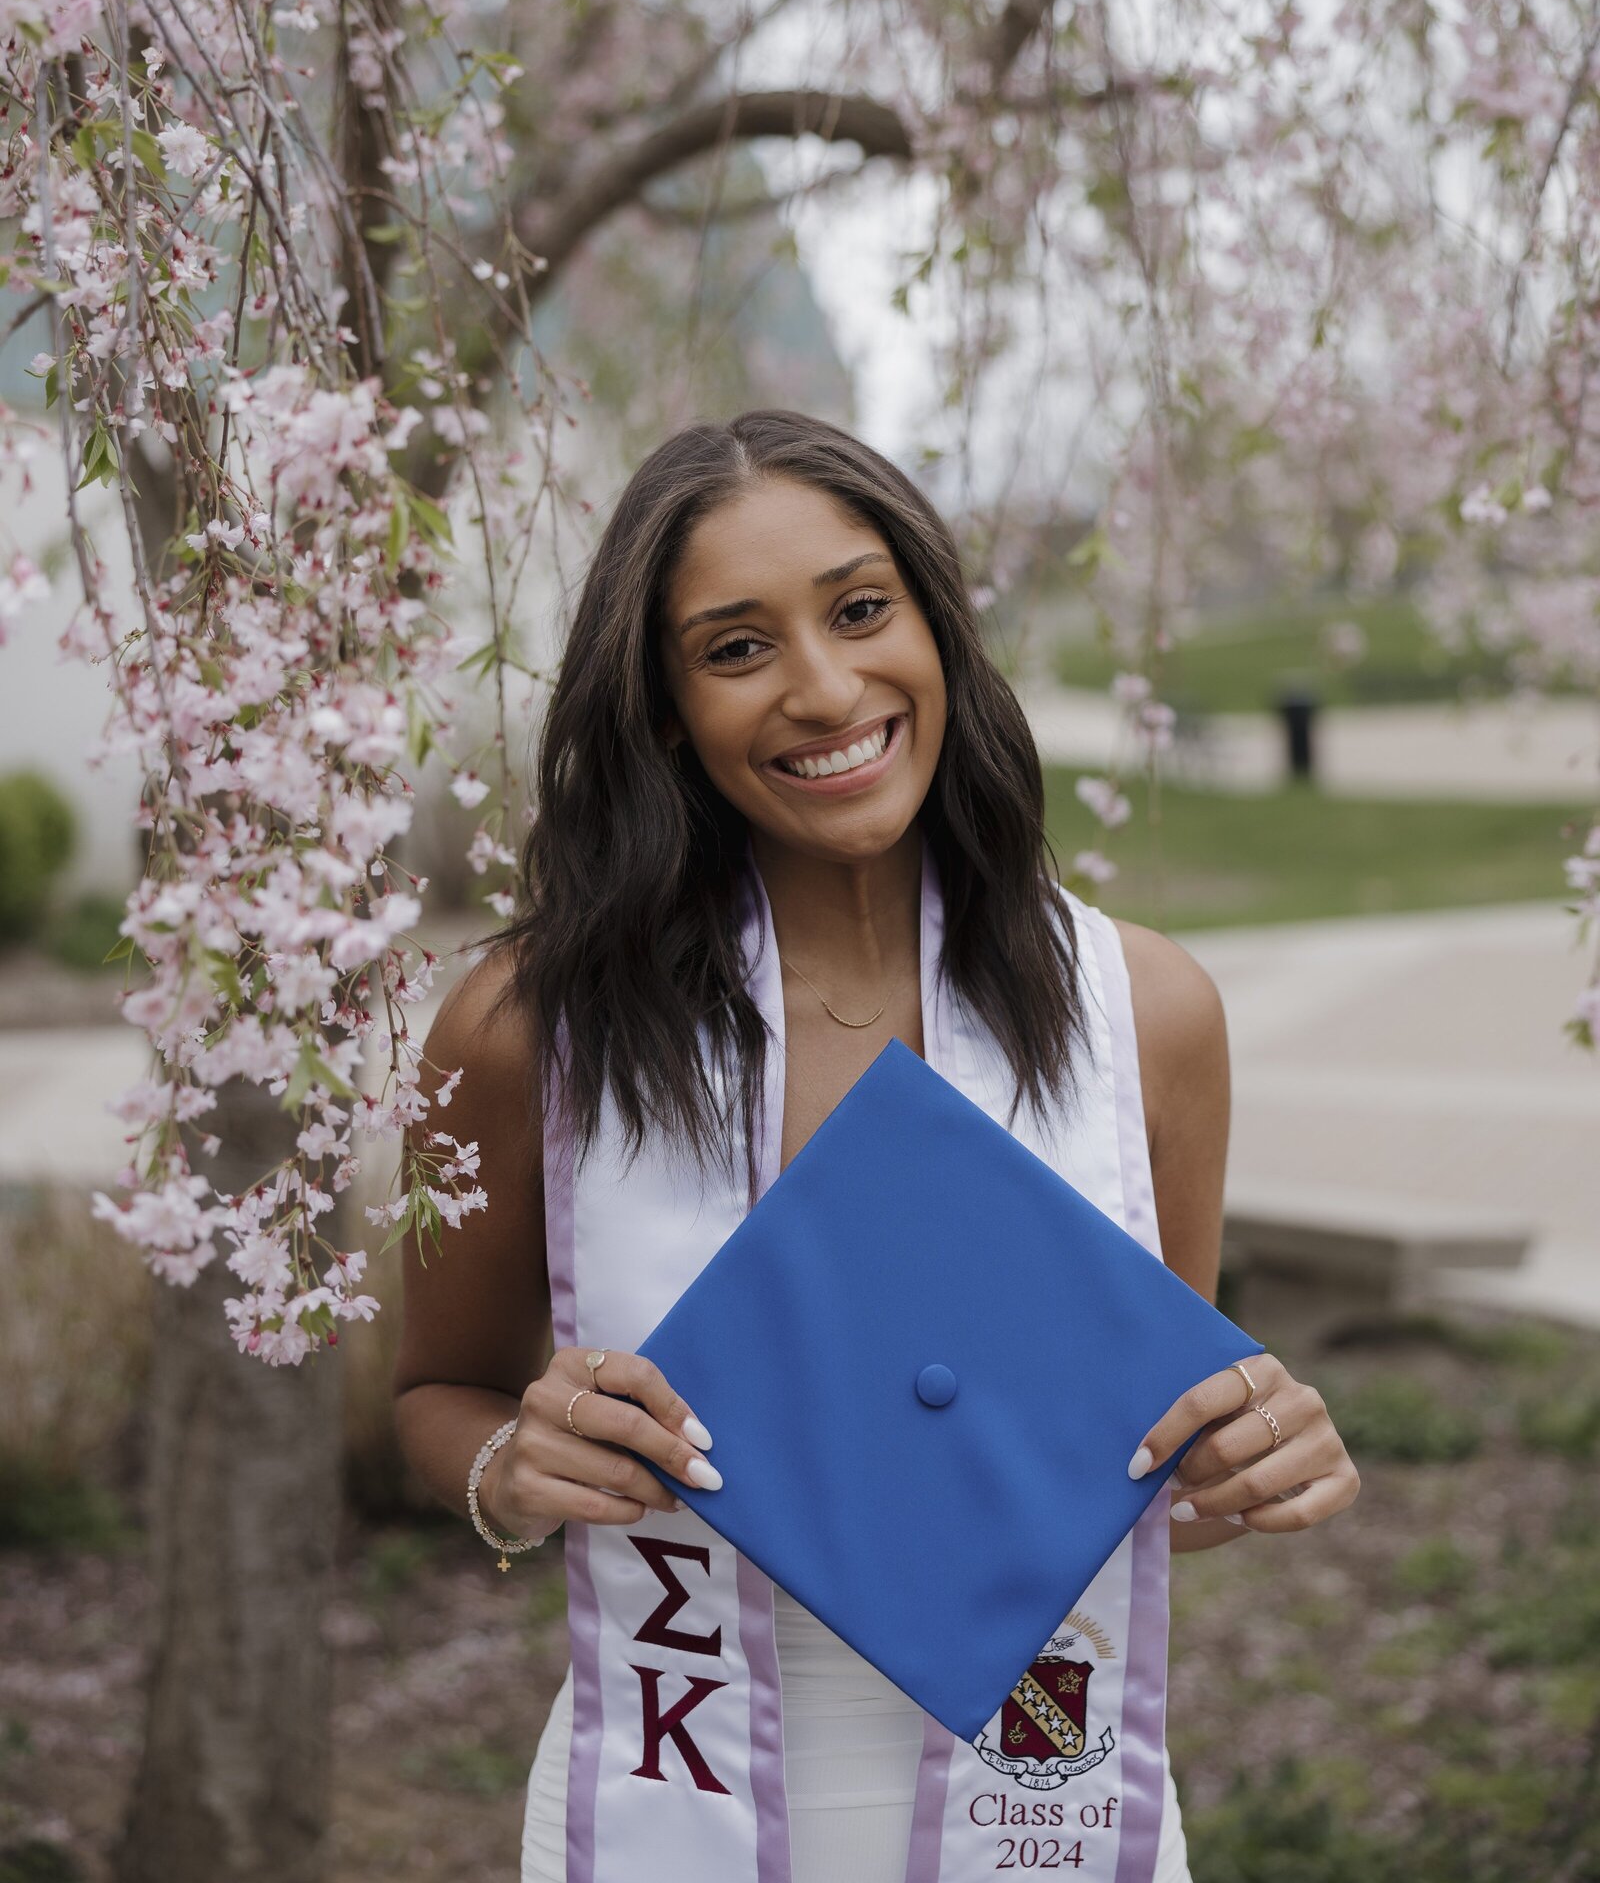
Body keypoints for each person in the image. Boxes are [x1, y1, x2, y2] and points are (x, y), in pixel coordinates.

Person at [392, 409, 1361, 1883]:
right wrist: (509, 1471)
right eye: (736, 648)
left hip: (1056, 1804)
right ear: (662, 709)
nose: (825, 687)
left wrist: (1253, 1466)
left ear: (937, 624)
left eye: (860, 610)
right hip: (675, 1796)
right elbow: (435, 1394)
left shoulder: (1143, 1012)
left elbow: (1132, 1476)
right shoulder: (531, 1031)